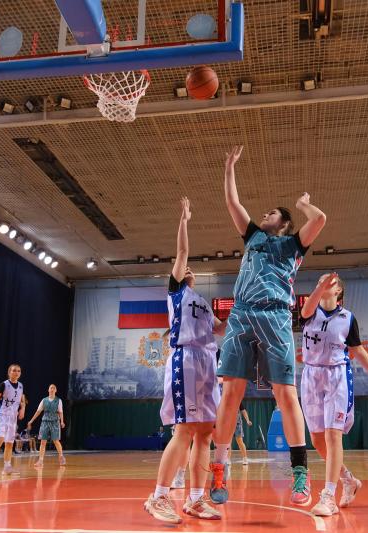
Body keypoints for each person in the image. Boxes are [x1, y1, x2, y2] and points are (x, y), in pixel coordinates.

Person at [211, 145, 327, 507]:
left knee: (285, 394)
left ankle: (300, 474)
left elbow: (319, 219)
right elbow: (232, 202)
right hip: (242, 314)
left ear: (285, 223)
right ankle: (219, 468)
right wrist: (229, 167)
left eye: (272, 213)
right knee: (231, 393)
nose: (265, 214)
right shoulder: (253, 238)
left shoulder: (293, 245)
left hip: (276, 317)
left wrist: (304, 204)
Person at [144, 198, 227, 524]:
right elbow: (182, 252)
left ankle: (195, 499)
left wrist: (244, 314)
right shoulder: (176, 294)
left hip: (208, 363)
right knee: (184, 430)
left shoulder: (203, 303)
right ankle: (159, 496)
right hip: (186, 360)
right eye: (184, 270)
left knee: (205, 433)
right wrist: (184, 220)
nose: (188, 269)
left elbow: (220, 329)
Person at [300, 272, 368, 516]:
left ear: (338, 291)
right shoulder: (309, 311)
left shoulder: (347, 318)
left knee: (333, 435)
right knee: (317, 440)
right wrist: (321, 285)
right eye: (319, 281)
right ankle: (348, 479)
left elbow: (358, 351)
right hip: (310, 376)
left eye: (329, 282)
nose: (323, 284)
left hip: (337, 375)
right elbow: (305, 310)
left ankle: (328, 496)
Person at [27, 384, 67, 468]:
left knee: (56, 441)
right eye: (51, 388)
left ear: (55, 390)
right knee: (43, 441)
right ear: (48, 390)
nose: (52, 389)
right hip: (45, 422)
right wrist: (31, 420)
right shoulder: (44, 400)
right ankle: (40, 460)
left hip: (55, 422)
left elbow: (61, 412)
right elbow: (38, 411)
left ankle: (61, 456)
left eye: (54, 388)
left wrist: (62, 421)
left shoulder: (58, 400)